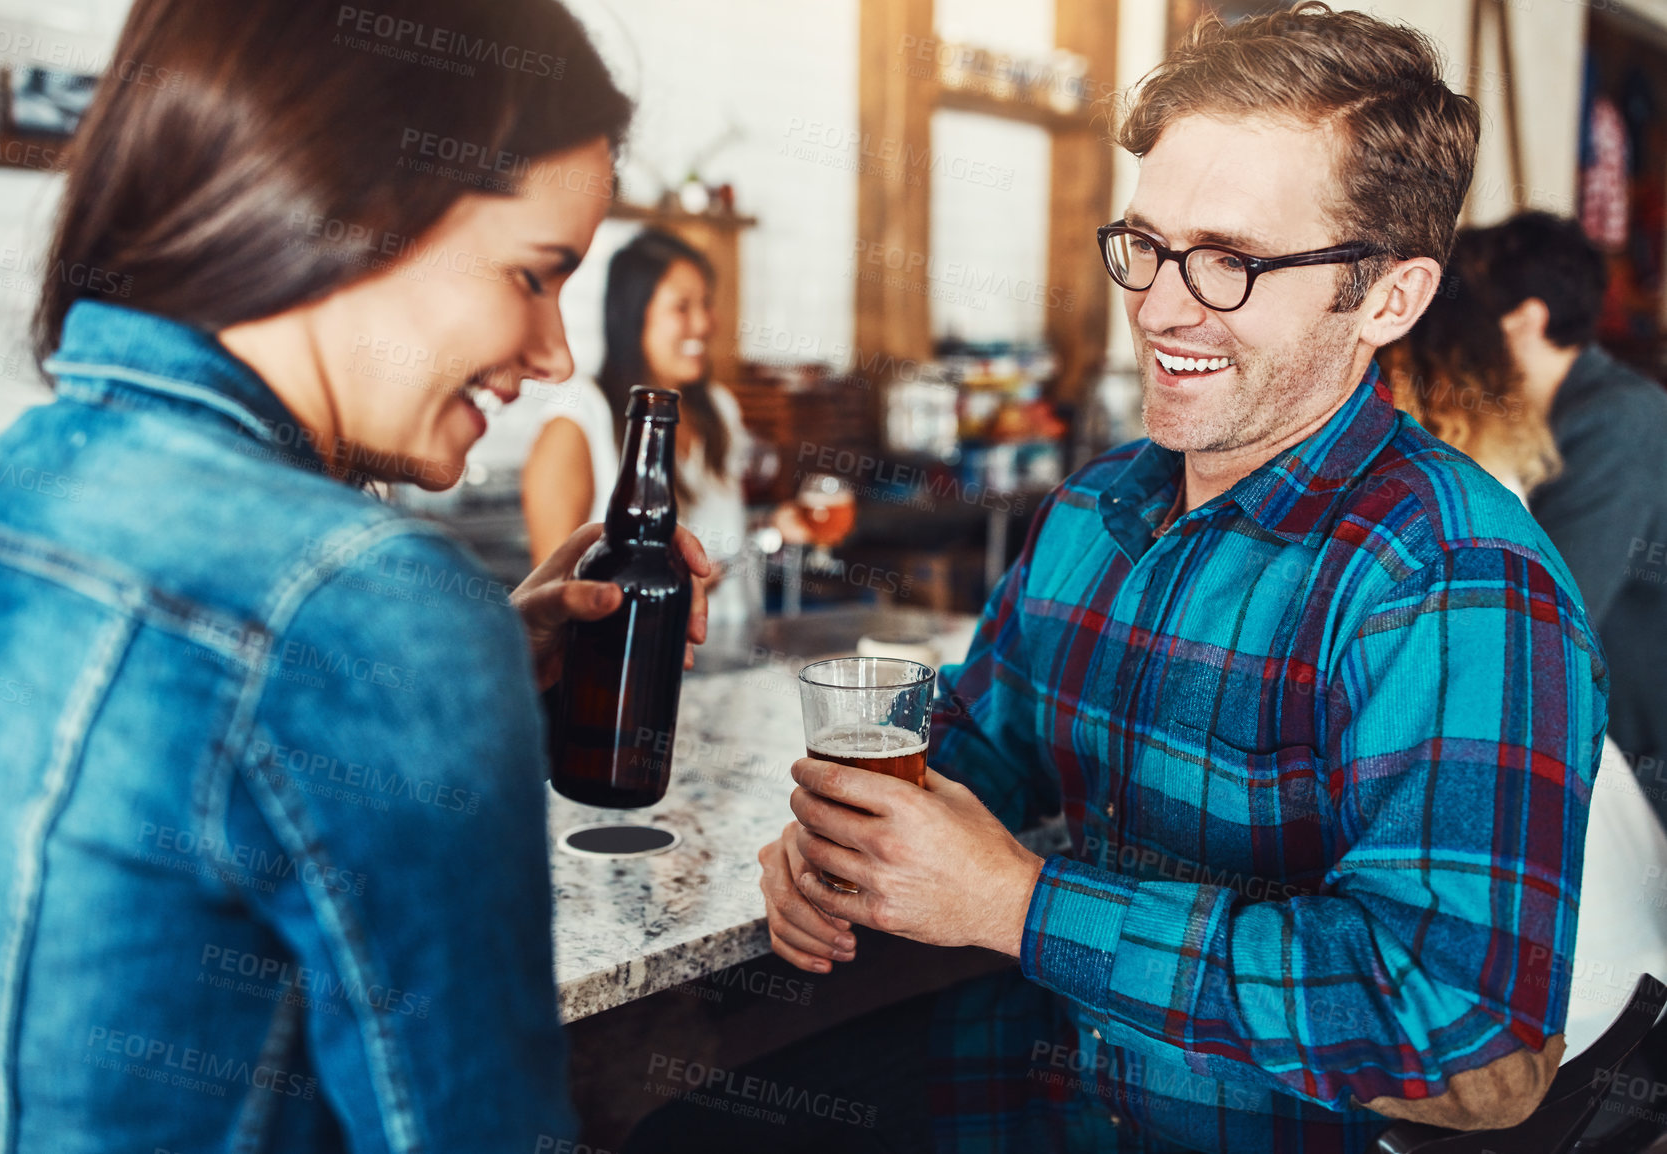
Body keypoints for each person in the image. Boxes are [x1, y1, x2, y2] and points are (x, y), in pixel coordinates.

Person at [690, 6, 1604, 1152]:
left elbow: (1472, 1045)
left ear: (1388, 298)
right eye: (1148, 243)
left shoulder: (1453, 578)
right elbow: (977, 742)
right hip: (1011, 1094)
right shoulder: (1097, 505)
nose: (1161, 305)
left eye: (1230, 260)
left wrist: (1019, 904)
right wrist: (846, 837)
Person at [0, 2, 710, 1151]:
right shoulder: (370, 606)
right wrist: (427, 657)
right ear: (353, 204)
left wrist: (476, 661)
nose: (554, 353)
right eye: (535, 274)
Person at [1383, 241, 1667, 1059]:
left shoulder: (1616, 419)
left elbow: (1562, 613)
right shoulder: (1490, 475)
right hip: (1612, 959)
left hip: (1630, 733)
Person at [1450, 212, 1667, 828]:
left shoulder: (1619, 420)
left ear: (1526, 320)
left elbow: (1554, 614)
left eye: (1465, 317)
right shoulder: (1547, 416)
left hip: (1640, 746)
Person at [520, 229, 752, 571]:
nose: (704, 323)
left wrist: (773, 529)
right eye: (682, 307)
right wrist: (675, 588)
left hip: (737, 625)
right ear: (633, 314)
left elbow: (725, 539)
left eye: (706, 303)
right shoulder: (580, 416)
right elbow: (553, 588)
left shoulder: (720, 408)